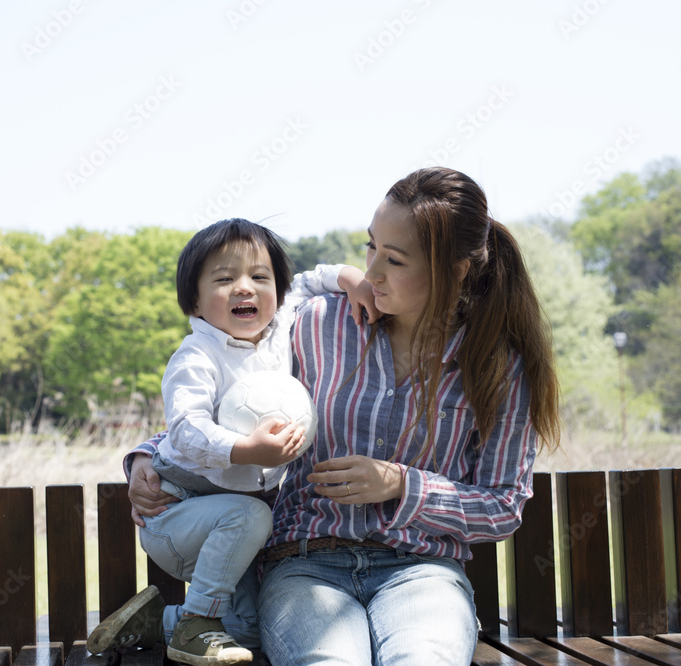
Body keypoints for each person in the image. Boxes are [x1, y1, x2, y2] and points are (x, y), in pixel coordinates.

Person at [123, 168, 562, 665]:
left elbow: (502, 505)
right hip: (304, 565)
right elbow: (225, 397)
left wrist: (401, 484)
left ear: (457, 269)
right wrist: (146, 456)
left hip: (424, 570)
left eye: (393, 260)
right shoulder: (317, 325)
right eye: (371, 247)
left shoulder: (496, 366)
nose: (371, 272)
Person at [85, 218, 376, 664]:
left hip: (235, 526)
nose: (245, 288)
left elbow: (307, 279)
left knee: (249, 630)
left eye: (260, 277)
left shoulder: (280, 327)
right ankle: (197, 621)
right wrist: (246, 452)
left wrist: (351, 277)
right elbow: (186, 428)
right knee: (251, 515)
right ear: (195, 302)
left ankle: (158, 622)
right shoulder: (196, 357)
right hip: (178, 509)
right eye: (224, 279)